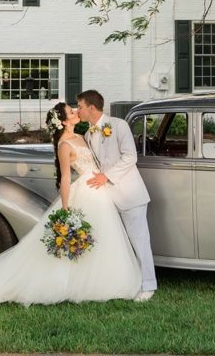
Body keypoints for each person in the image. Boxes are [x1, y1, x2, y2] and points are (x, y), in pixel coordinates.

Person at [0, 101, 143, 308]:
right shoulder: (65, 144)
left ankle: (103, 277)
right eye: (71, 112)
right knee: (88, 236)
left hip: (98, 189)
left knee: (103, 236)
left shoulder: (82, 135)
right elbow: (66, 178)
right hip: (86, 191)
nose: (76, 112)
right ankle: (84, 282)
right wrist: (66, 208)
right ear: (65, 122)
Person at [76, 89, 156, 300]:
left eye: (80, 107)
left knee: (139, 241)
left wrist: (106, 177)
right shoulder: (87, 134)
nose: (78, 111)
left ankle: (148, 286)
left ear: (91, 108)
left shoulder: (119, 126)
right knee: (118, 244)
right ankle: (124, 283)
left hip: (129, 194)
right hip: (105, 199)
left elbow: (130, 157)